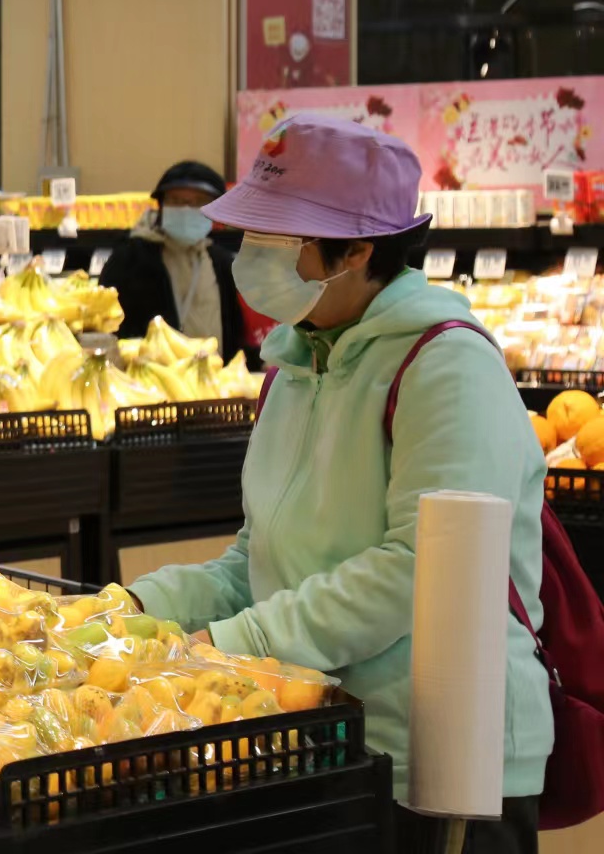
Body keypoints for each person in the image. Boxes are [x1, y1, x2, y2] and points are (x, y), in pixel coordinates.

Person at [128, 115, 550, 849]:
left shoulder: (447, 367)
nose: (249, 256)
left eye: (275, 240)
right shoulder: (299, 362)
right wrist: (136, 607)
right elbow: (260, 557)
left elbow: (421, 568)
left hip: (436, 759)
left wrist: (242, 643)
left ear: (356, 251)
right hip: (323, 732)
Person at [98, 160, 254, 362]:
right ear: (162, 206)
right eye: (176, 201)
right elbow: (106, 325)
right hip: (151, 383)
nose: (187, 209)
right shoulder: (129, 259)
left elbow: (235, 334)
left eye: (198, 201)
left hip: (216, 383)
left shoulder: (221, 263)